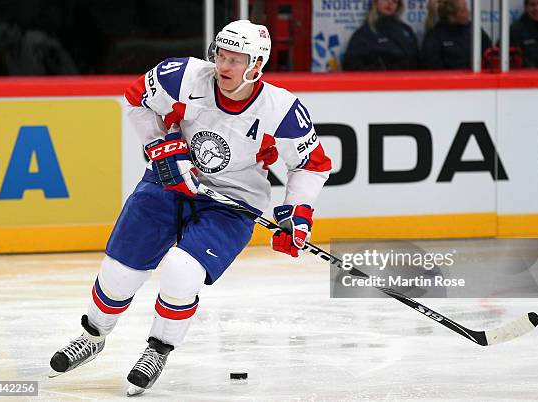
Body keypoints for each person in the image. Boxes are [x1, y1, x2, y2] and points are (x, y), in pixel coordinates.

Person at [48, 19, 331, 396]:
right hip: (169, 183)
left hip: (233, 204)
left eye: (236, 60)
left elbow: (311, 164)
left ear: (257, 66)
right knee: (119, 272)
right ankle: (93, 335)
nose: (224, 66)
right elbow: (138, 100)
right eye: (222, 55)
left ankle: (157, 350)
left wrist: (297, 213)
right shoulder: (183, 75)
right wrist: (159, 146)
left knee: (182, 271)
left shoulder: (280, 108)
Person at [343, 0, 419, 71]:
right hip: (378, 82)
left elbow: (417, 62)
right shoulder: (364, 33)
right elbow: (351, 65)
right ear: (376, 2)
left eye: (394, 1)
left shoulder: (406, 31)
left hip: (407, 82)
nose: (390, 3)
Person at [420, 0, 492, 69]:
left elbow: (489, 53)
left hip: (475, 79)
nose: (468, 12)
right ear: (452, 17)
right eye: (463, 11)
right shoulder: (434, 36)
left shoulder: (474, 30)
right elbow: (432, 66)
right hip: (446, 80)